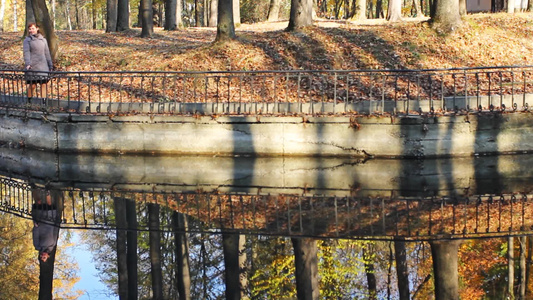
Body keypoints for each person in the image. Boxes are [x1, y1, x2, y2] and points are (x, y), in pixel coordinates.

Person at [23, 23, 53, 99]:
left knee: (43, 85)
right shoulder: (27, 40)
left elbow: (47, 53)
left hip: (43, 66)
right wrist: (28, 63)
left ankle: (43, 103)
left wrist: (50, 65)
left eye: (33, 28)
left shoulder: (43, 40)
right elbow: (26, 52)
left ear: (37, 29)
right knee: (32, 85)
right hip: (33, 66)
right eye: (30, 29)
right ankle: (29, 102)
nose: (31, 30)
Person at [32, 189, 60, 263]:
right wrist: (57, 222)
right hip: (50, 221)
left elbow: (35, 235)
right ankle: (48, 191)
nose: (42, 256)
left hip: (40, 222)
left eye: (41, 256)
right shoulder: (52, 245)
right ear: (48, 256)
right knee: (49, 205)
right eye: (44, 257)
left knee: (38, 203)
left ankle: (33, 187)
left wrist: (36, 226)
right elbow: (55, 232)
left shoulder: (37, 246)